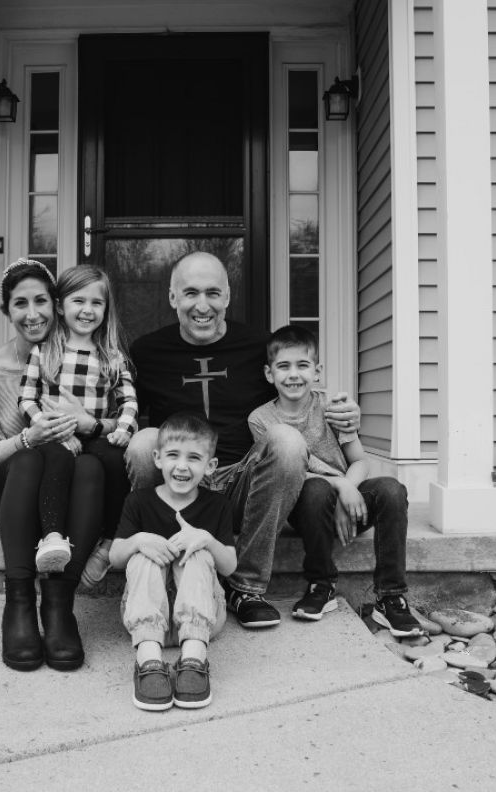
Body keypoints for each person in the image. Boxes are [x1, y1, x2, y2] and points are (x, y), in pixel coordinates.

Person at [126, 251, 361, 629]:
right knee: (143, 442)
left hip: (241, 481)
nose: (202, 305)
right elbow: (124, 414)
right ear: (172, 298)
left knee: (285, 441)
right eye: (190, 293)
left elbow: (298, 389)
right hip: (179, 478)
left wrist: (343, 410)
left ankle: (245, 586)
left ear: (228, 296)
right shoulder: (147, 351)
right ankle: (162, 571)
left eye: (213, 293)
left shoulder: (257, 347)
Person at [0, 258, 118, 673]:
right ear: (6, 311)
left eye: (41, 301)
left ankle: (59, 606)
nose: (33, 314)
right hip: (13, 491)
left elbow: (122, 430)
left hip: (73, 492)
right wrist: (29, 437)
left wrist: (88, 423)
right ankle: (18, 604)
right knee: (31, 457)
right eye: (20, 304)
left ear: (57, 303)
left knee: (89, 469)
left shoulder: (95, 360)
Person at [249, 325, 421, 636]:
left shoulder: (333, 408)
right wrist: (339, 485)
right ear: (268, 373)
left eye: (302, 365)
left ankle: (391, 597)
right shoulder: (261, 419)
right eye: (283, 366)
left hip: (348, 498)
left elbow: (359, 461)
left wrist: (348, 490)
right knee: (315, 489)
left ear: (317, 370)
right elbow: (292, 474)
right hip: (307, 506)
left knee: (392, 490)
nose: (293, 375)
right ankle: (321, 584)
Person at [110, 413, 237, 711]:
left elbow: (230, 566)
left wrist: (204, 538)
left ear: (210, 466)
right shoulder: (139, 501)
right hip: (145, 617)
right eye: (173, 456)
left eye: (194, 457)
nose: (182, 466)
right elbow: (116, 557)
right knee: (142, 553)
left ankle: (194, 659)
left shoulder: (217, 505)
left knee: (198, 552)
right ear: (157, 458)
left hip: (200, 621)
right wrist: (140, 539)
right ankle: (149, 661)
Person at [18, 265, 137, 575]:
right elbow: (27, 398)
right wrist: (54, 428)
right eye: (78, 301)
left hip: (95, 434)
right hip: (54, 435)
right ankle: (53, 537)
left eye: (97, 303)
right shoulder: (44, 350)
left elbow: (129, 401)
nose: (88, 310)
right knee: (55, 460)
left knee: (115, 461)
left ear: (106, 308)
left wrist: (124, 429)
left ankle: (111, 539)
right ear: (60, 306)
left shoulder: (111, 355)